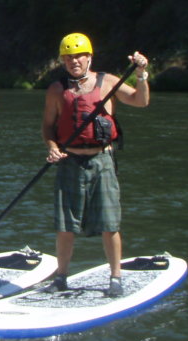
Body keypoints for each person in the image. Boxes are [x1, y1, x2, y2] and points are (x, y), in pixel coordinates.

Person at [41, 32, 150, 296]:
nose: (73, 61)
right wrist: (53, 148)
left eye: (78, 55)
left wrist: (143, 74)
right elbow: (47, 127)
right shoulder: (57, 90)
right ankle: (61, 277)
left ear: (89, 57)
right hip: (70, 160)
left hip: (102, 160)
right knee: (66, 225)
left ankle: (115, 277)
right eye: (68, 57)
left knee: (109, 223)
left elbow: (140, 100)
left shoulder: (108, 82)